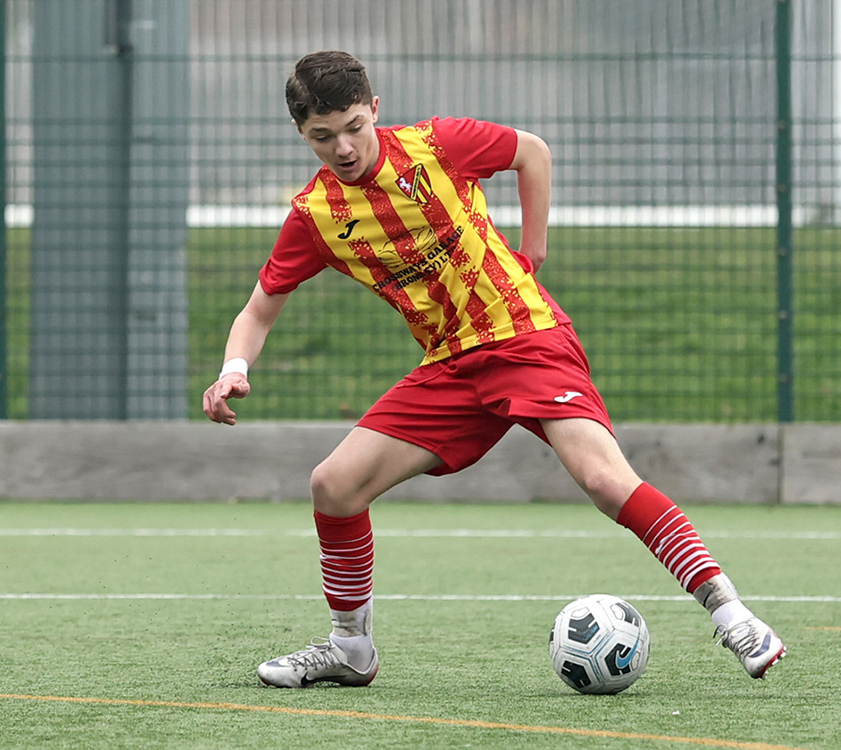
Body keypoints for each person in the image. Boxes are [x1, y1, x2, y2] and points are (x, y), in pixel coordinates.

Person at [203, 50, 786, 688]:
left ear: (374, 109)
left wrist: (532, 248)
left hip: (524, 337)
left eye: (352, 127)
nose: (342, 147)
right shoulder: (315, 216)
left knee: (601, 478)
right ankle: (351, 649)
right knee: (333, 485)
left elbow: (531, 151)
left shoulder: (436, 146)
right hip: (451, 365)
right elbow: (257, 312)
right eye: (322, 137)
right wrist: (234, 366)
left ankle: (732, 613)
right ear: (302, 134)